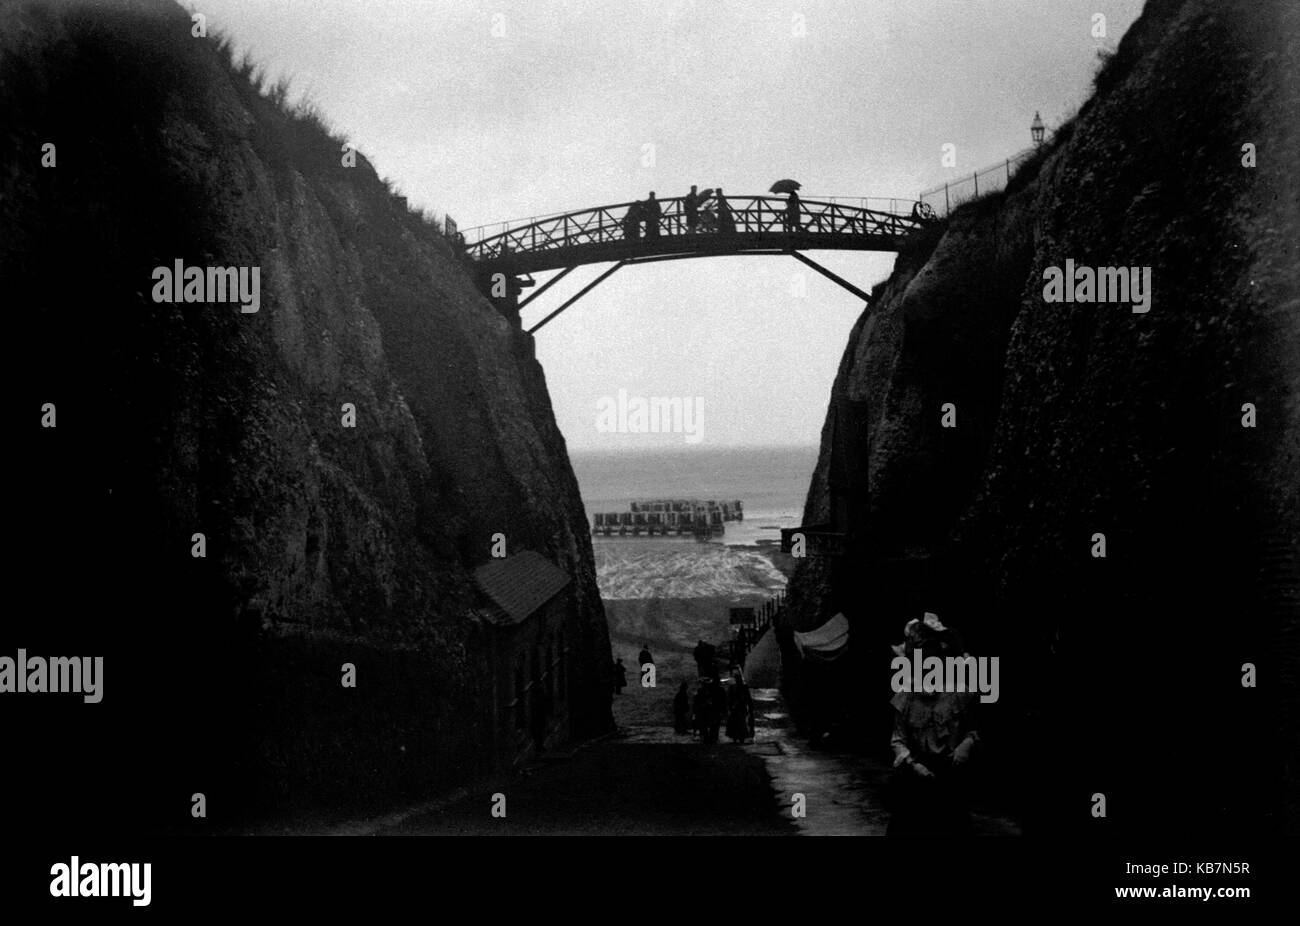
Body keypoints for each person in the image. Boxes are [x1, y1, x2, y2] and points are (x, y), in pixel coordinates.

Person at [886, 615, 979, 835]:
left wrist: (965, 745)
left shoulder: (960, 693)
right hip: (916, 776)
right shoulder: (906, 697)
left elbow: (974, 730)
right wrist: (912, 764)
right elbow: (897, 740)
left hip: (950, 776)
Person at [726, 668, 755, 743]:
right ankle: (735, 736)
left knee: (741, 723)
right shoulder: (733, 687)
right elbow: (729, 697)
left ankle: (741, 736)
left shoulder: (744, 687)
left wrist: (749, 706)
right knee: (735, 722)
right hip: (735, 708)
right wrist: (730, 706)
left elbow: (747, 698)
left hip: (741, 707)